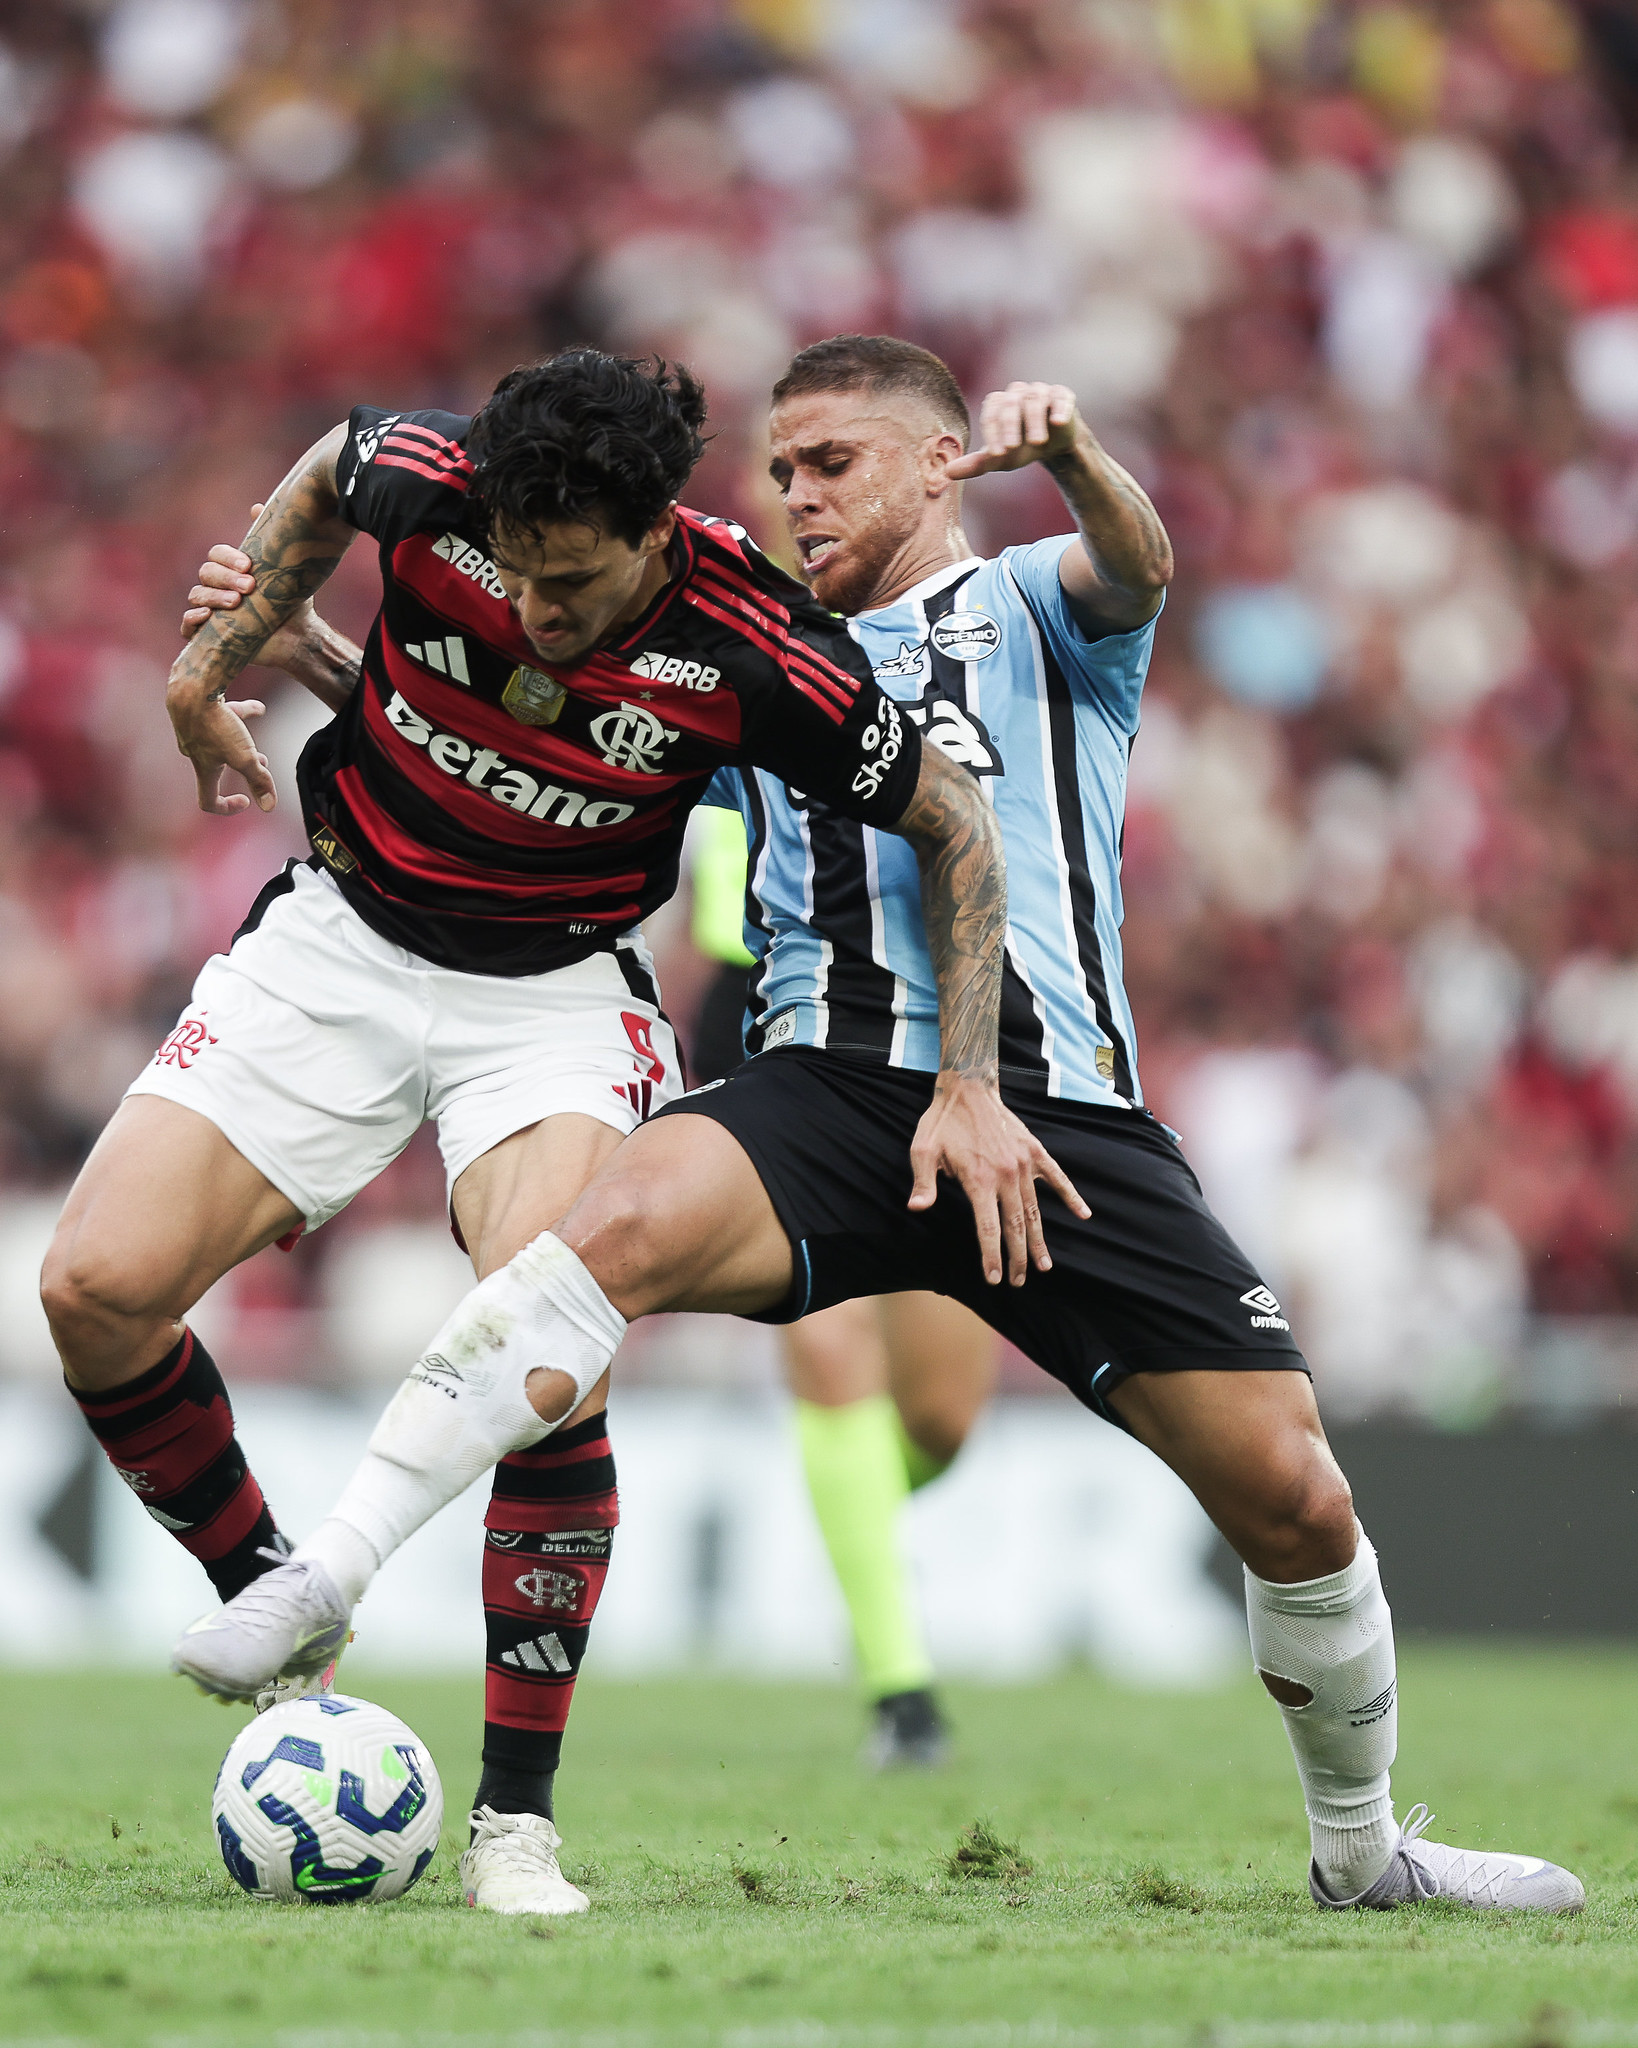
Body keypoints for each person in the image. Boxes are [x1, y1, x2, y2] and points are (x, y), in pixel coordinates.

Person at [180, 335, 1585, 1917]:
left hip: (1058, 1120)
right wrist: (306, 651)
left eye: (831, 463)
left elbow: (1140, 561)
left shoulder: (1035, 609)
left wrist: (1075, 455)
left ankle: (1359, 1852)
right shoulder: (741, 651)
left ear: (937, 464)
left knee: (1297, 1496)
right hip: (832, 1089)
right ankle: (326, 1575)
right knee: (602, 1234)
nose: (795, 497)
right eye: (779, 472)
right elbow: (532, 756)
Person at [43, 347, 1042, 1917]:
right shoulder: (424, 478)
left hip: (551, 997)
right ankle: (279, 1606)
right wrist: (205, 672)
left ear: (655, 529)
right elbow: (315, 483)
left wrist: (968, 1082)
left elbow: (952, 820)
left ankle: (515, 1823)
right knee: (90, 1291)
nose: (537, 613)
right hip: (339, 941)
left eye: (571, 583)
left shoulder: (754, 643)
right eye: (513, 572)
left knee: (544, 1339)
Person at [690, 808, 998, 1766]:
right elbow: (709, 895)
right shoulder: (757, 676)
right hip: (780, 1019)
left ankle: (855, 1536)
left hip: (938, 1039)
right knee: (829, 1347)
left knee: (940, 1421)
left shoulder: (954, 690)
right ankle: (903, 1696)